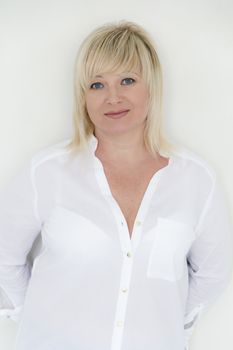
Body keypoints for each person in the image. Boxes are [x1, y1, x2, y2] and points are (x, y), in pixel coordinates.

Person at [0, 20, 232, 350]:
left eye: (127, 80)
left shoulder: (196, 181)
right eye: (97, 85)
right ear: (83, 96)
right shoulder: (47, 173)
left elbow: (212, 275)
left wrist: (167, 328)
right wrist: (36, 318)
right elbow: (4, 256)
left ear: (151, 88)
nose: (113, 97)